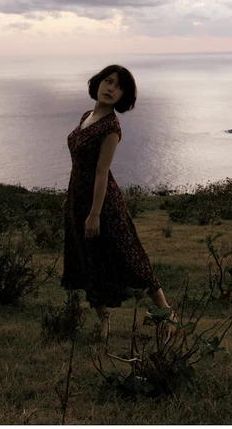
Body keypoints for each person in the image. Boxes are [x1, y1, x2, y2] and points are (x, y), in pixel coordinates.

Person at [61, 64, 174, 344]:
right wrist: (72, 200)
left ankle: (168, 315)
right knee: (87, 260)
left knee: (131, 256)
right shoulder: (87, 115)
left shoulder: (110, 127)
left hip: (104, 204)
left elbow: (102, 171)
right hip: (77, 197)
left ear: (124, 96)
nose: (111, 88)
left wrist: (95, 214)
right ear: (98, 83)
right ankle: (104, 321)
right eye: (108, 81)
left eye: (119, 86)